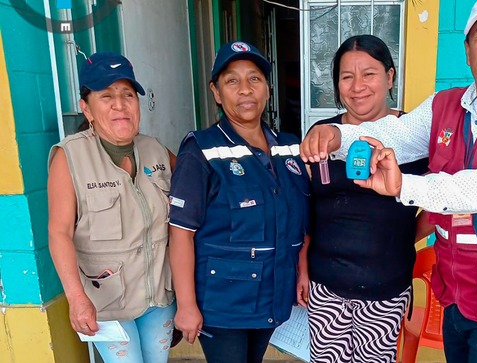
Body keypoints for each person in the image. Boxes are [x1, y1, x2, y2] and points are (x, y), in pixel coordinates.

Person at [299, 0, 477, 362]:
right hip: (455, 297)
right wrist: (337, 136)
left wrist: (404, 187)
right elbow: (395, 133)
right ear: (467, 50)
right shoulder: (445, 107)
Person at [168, 41, 310, 363]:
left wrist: (301, 270)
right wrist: (187, 305)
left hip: (273, 293)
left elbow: (300, 222)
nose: (245, 89)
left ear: (268, 90)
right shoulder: (200, 150)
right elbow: (180, 234)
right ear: (216, 92)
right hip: (223, 303)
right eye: (232, 81)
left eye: (254, 79)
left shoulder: (289, 148)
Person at [296, 34, 430, 363]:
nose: (358, 87)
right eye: (346, 76)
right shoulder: (322, 135)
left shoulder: (413, 134)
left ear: (390, 76)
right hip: (325, 286)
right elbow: (307, 208)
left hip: (386, 287)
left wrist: (407, 237)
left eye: (368, 73)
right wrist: (302, 268)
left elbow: (438, 199)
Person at [48, 52, 177, 363]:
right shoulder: (70, 158)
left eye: (127, 95)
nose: (120, 105)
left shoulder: (156, 149)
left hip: (158, 296)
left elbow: (201, 191)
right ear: (86, 107)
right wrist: (76, 298)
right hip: (105, 300)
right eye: (107, 96)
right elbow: (59, 231)